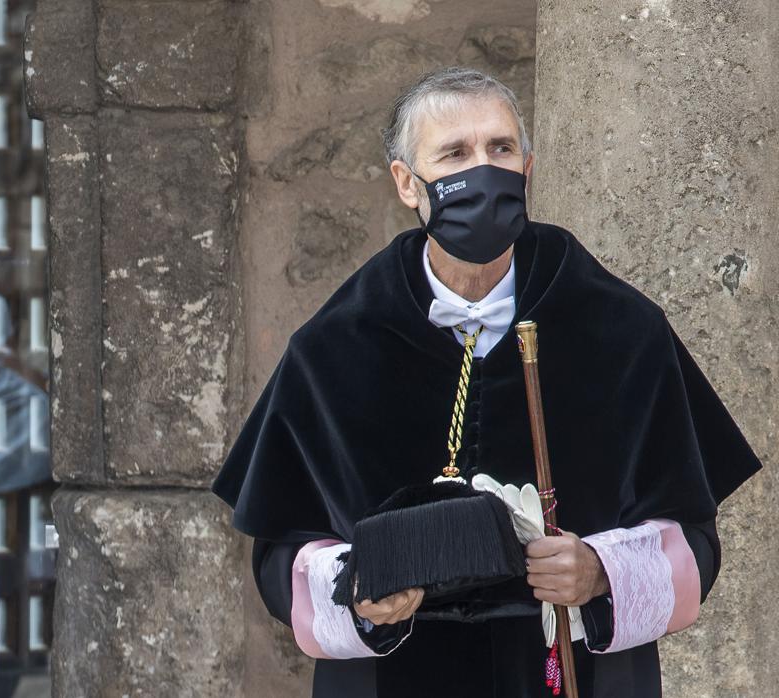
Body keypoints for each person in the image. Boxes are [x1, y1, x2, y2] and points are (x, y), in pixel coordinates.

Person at [212, 67, 760, 697]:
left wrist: (601, 572)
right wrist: (358, 591)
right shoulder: (335, 346)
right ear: (407, 184)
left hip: (570, 674)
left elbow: (694, 542)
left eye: (500, 148)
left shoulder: (619, 329)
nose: (484, 169)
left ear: (526, 169)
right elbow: (279, 556)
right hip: (397, 679)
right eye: (455, 153)